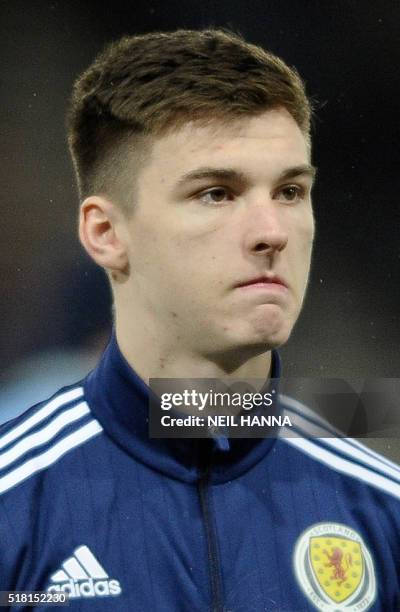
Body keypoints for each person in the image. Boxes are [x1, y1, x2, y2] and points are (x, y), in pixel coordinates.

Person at [0, 29, 399, 611]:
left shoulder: (381, 512)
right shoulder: (16, 508)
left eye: (290, 190)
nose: (272, 231)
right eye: (216, 193)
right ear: (106, 234)